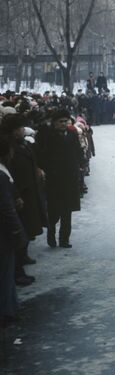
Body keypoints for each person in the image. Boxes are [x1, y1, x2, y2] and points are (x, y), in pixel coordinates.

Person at [1, 114, 45, 283]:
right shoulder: (7, 147)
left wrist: (38, 169)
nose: (22, 130)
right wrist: (17, 194)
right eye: (19, 128)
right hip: (20, 192)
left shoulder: (21, 143)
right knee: (20, 227)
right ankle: (17, 271)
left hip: (29, 189)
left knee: (28, 226)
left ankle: (23, 256)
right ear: (12, 131)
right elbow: (8, 174)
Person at [36, 109, 85, 248]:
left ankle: (64, 239)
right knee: (53, 211)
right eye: (61, 122)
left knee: (67, 211)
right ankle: (51, 236)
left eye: (66, 121)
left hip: (69, 177)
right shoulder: (47, 136)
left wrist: (81, 164)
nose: (64, 124)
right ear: (54, 123)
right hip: (54, 179)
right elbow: (42, 156)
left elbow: (78, 150)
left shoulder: (71, 133)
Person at [0, 135, 27, 327]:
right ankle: (8, 310)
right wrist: (17, 231)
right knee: (6, 272)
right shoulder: (2, 174)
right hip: (4, 233)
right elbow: (7, 208)